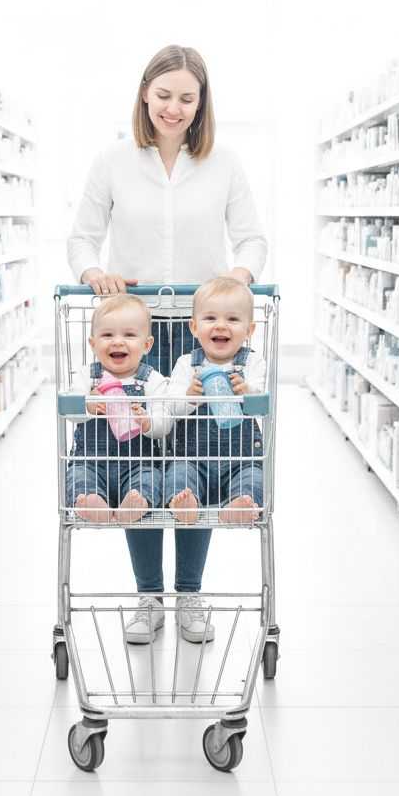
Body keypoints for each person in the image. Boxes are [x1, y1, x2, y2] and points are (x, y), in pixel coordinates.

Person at [67, 43, 267, 645]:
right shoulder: (112, 161)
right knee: (137, 464)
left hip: (209, 337)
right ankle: (148, 598)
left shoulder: (225, 163)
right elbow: (80, 240)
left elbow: (253, 239)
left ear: (202, 101)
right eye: (163, 96)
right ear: (144, 95)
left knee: (196, 465)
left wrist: (240, 279)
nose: (173, 108)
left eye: (186, 97)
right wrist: (92, 275)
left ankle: (190, 598)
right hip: (129, 336)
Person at [166, 275, 265, 533]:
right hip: (192, 457)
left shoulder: (253, 363)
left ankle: (238, 505)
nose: (221, 325)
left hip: (241, 459)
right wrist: (189, 396)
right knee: (177, 474)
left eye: (232, 319)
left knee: (254, 478)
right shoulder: (185, 364)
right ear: (194, 328)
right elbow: (171, 407)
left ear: (249, 330)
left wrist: (248, 392)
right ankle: (186, 503)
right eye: (210, 318)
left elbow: (264, 405)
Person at [64, 294, 172, 525]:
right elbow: (70, 411)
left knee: (151, 478)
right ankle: (92, 502)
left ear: (146, 345)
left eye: (129, 335)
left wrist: (148, 422)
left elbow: (165, 421)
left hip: (138, 463)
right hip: (90, 462)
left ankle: (137, 501)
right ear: (93, 344)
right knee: (78, 477)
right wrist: (88, 405)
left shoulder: (153, 380)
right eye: (107, 335)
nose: (117, 342)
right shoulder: (87, 377)